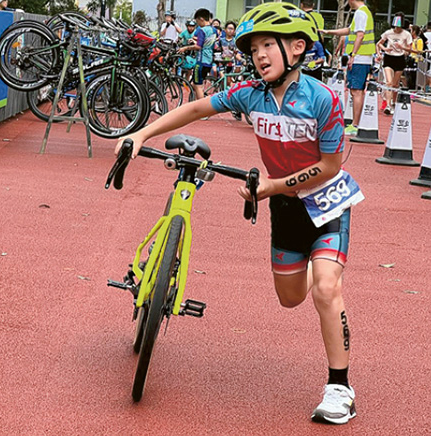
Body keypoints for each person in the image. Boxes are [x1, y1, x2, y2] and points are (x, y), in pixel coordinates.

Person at [115, 2, 359, 425]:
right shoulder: (251, 94)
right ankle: (316, 268)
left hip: (327, 201)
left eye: (269, 44)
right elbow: (195, 109)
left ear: (297, 47)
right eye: (254, 48)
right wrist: (141, 133)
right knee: (291, 298)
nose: (259, 54)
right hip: (283, 207)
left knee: (325, 288)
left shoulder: (325, 99)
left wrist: (269, 187)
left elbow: (332, 166)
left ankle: (340, 387)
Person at [321, 0, 375, 136]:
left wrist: (353, 55)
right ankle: (355, 123)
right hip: (362, 57)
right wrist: (329, 31)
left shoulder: (360, 13)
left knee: (356, 91)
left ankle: (356, 124)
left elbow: (360, 35)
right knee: (356, 91)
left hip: (360, 58)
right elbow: (350, 31)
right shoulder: (363, 12)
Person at [178, 8, 217, 101]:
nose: (197, 24)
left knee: (198, 86)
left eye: (197, 21)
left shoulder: (202, 30)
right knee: (196, 85)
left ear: (201, 19)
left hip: (201, 61)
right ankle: (196, 104)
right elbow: (207, 42)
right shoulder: (213, 30)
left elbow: (199, 47)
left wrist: (186, 48)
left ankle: (202, 108)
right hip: (209, 61)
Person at [376, 13, 412, 115]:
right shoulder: (388, 33)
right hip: (388, 58)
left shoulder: (406, 34)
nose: (397, 29)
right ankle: (388, 105)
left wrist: (402, 47)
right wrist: (385, 49)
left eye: (399, 27)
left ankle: (393, 102)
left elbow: (410, 49)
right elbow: (379, 44)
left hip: (400, 59)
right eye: (396, 27)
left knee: (395, 84)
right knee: (389, 82)